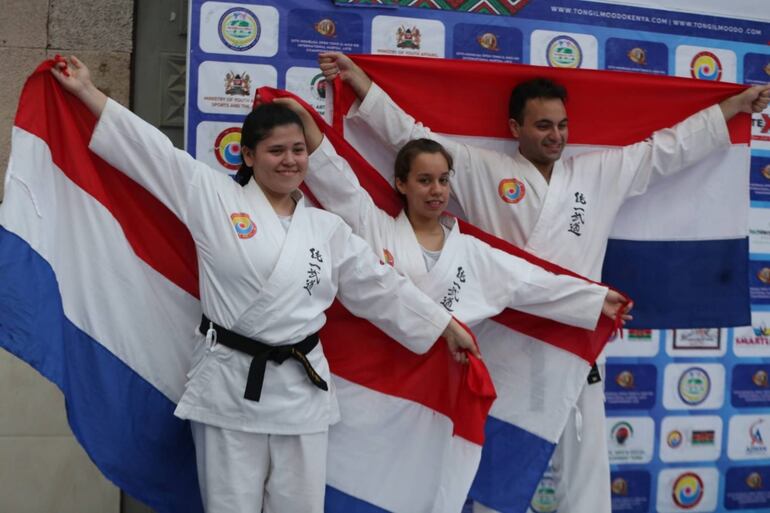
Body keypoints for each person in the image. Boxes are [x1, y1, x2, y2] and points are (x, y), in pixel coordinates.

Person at [318, 51, 770, 513]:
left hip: (575, 333)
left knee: (588, 459)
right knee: (494, 458)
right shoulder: (480, 170)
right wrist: (363, 86)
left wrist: (731, 109)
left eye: (561, 125)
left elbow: (667, 149)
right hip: (507, 338)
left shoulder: (599, 174)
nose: (555, 136)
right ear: (515, 129)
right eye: (542, 126)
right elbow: (412, 137)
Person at [50, 55, 481, 513]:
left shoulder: (325, 228)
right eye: (276, 151)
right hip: (230, 383)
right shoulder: (213, 197)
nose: (290, 161)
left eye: (298, 151)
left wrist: (444, 325)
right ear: (248, 155)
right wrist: (86, 92)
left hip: (302, 387)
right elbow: (154, 151)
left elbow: (380, 286)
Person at [264, 94, 631, 512]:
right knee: (365, 479)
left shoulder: (472, 253)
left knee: (435, 489)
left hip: (439, 388)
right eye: (424, 180)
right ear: (401, 184)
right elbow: (335, 179)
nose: (436, 191)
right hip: (379, 383)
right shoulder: (374, 227)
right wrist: (300, 116)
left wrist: (596, 298)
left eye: (442, 180)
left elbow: (531, 283)